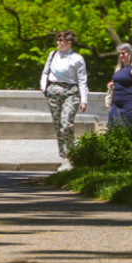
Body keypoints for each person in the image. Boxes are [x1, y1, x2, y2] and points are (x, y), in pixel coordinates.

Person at [40, 29, 89, 171]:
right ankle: (64, 158)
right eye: (57, 40)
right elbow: (45, 72)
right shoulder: (53, 54)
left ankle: (70, 157)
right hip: (53, 91)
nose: (58, 43)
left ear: (69, 43)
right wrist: (44, 88)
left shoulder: (77, 58)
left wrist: (84, 99)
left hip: (70, 92)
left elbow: (82, 80)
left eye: (61, 41)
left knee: (66, 124)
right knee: (58, 126)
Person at [107, 43, 132, 125]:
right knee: (113, 129)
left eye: (123, 53)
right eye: (119, 53)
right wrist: (112, 84)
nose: (121, 56)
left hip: (129, 105)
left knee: (129, 129)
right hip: (116, 105)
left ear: (130, 54)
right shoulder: (119, 69)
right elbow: (119, 80)